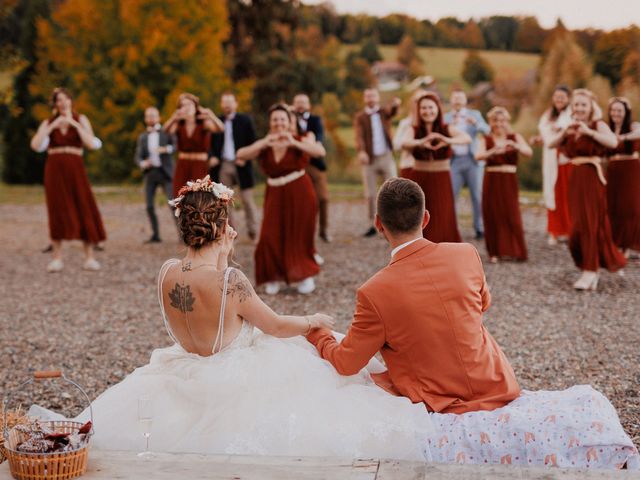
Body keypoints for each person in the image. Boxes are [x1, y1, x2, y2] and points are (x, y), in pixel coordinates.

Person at [34, 176, 434, 461]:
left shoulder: (167, 271)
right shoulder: (232, 281)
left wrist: (222, 256)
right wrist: (313, 318)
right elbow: (274, 325)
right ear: (222, 226)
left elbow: (209, 300)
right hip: (233, 373)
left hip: (188, 366)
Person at [306, 177, 639, 469]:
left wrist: (318, 332)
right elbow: (482, 304)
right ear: (426, 218)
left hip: (442, 401)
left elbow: (347, 363)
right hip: (496, 383)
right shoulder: (465, 253)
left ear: (379, 224)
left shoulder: (373, 292)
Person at [237, 104, 325, 295]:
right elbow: (241, 155)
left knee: (299, 233)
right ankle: (273, 276)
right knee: (270, 234)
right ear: (270, 122)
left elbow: (319, 152)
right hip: (275, 192)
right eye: (275, 119)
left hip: (299, 190)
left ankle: (304, 275)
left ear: (288, 122)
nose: (279, 123)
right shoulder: (265, 144)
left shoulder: (299, 139)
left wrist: (294, 143)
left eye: (282, 119)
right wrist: (263, 143)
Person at [548, 89, 626, 290]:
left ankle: (590, 271)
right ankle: (591, 265)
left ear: (591, 107)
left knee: (589, 223)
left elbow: (613, 142)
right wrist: (565, 132)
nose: (580, 108)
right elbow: (550, 144)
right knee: (577, 227)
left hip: (592, 177)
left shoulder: (597, 124)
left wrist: (589, 132)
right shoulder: (571, 127)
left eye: (583, 104)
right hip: (576, 179)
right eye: (576, 105)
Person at [30, 87, 106, 272]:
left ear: (71, 101)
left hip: (75, 168)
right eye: (59, 100)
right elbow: (35, 145)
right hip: (55, 169)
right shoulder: (48, 122)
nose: (63, 103)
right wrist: (52, 127)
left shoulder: (81, 119)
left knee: (83, 206)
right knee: (57, 208)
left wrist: (74, 124)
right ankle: (57, 257)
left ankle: (89, 257)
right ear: (55, 104)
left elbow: (90, 143)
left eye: (66, 99)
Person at [400, 92, 470, 243]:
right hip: (420, 177)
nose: (427, 111)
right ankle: (422, 248)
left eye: (431, 107)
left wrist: (447, 140)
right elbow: (404, 142)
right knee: (420, 214)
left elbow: (466, 138)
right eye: (423, 108)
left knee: (443, 213)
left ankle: (443, 250)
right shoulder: (414, 129)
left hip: (441, 177)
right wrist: (421, 142)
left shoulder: (446, 128)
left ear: (437, 109)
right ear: (419, 111)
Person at [475, 107, 531, 263]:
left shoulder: (514, 137)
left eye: (502, 121)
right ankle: (495, 252)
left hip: (508, 179)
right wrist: (493, 151)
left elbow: (528, 152)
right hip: (492, 179)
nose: (499, 124)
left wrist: (516, 146)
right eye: (495, 121)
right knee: (493, 214)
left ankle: (517, 250)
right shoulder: (485, 139)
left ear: (507, 121)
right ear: (490, 122)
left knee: (512, 215)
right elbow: (478, 156)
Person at [209, 92, 259, 241]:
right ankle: (231, 232)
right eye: (224, 102)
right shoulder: (217, 121)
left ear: (236, 104)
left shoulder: (245, 120)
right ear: (221, 104)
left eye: (230, 102)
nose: (227, 105)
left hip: (242, 164)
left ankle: (253, 231)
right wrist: (212, 156)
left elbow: (253, 142)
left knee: (247, 200)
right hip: (224, 164)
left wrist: (246, 157)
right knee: (225, 201)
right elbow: (211, 143)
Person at [354, 88, 401, 237]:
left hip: (386, 156)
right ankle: (372, 225)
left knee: (394, 189)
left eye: (373, 95)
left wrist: (395, 104)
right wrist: (361, 151)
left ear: (378, 97)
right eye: (367, 95)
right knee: (371, 194)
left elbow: (392, 111)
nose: (370, 97)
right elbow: (359, 135)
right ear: (364, 98)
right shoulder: (360, 117)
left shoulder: (383, 112)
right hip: (369, 159)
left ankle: (395, 223)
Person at [444, 90, 490, 239]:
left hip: (473, 160)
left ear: (465, 100)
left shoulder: (475, 114)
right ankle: (451, 227)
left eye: (460, 98)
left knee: (477, 195)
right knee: (451, 195)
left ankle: (479, 227)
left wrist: (475, 123)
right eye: (455, 98)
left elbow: (487, 130)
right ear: (451, 101)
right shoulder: (446, 117)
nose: (457, 101)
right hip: (454, 161)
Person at [164, 93, 223, 197]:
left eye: (189, 104)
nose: (186, 108)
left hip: (199, 165)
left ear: (196, 107)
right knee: (179, 196)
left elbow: (220, 128)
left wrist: (211, 115)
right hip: (182, 165)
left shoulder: (203, 123)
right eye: (183, 105)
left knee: (199, 196)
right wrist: (174, 117)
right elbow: (165, 130)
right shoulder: (179, 124)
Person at [536, 85, 573, 245]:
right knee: (551, 192)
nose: (559, 99)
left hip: (564, 158)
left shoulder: (571, 114)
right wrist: (545, 135)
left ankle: (569, 230)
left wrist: (560, 129)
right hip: (550, 157)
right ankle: (554, 231)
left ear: (568, 98)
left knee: (565, 194)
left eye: (562, 97)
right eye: (556, 96)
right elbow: (544, 131)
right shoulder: (548, 114)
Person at [134, 107, 175, 244]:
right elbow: (138, 157)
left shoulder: (166, 132)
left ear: (159, 117)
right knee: (149, 206)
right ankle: (156, 235)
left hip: (166, 172)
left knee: (173, 204)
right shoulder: (142, 137)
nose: (151, 118)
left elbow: (176, 146)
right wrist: (143, 163)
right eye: (148, 116)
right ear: (145, 119)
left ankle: (183, 235)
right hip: (150, 173)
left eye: (153, 115)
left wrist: (166, 149)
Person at [293, 93, 331, 243]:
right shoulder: (289, 120)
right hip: (296, 165)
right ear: (293, 105)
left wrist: (317, 143)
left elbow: (320, 134)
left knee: (323, 198)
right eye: (298, 102)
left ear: (308, 105)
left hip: (315, 163)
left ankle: (324, 230)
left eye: (303, 102)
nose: (301, 105)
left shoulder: (315, 120)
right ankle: (301, 232)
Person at [605, 97, 640, 257]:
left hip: (630, 169)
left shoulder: (632, 126)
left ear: (626, 112)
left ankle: (628, 244)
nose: (616, 113)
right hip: (613, 170)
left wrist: (624, 137)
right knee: (613, 206)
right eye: (613, 110)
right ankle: (616, 243)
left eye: (619, 110)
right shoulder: (607, 129)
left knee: (630, 206)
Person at [393, 89, 427, 178]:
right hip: (409, 166)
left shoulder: (433, 124)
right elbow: (396, 145)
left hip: (428, 168)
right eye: (417, 101)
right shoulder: (405, 123)